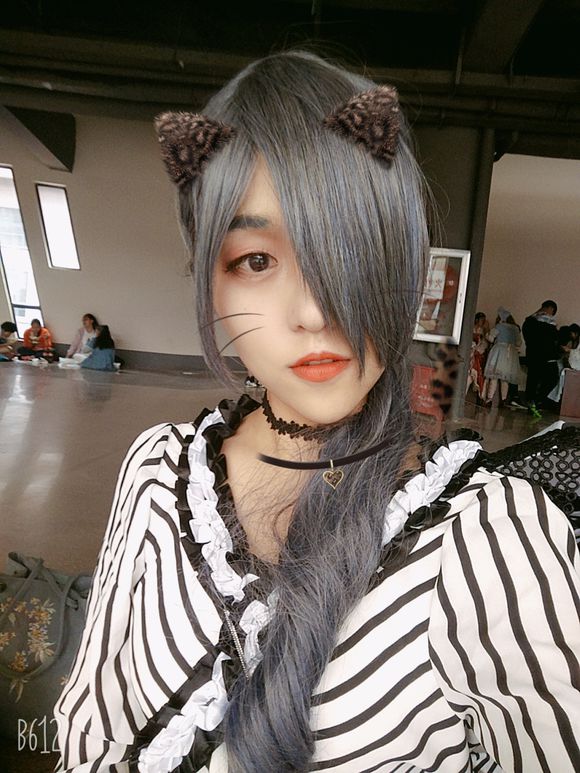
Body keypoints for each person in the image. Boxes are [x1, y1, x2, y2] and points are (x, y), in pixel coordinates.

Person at [55, 52, 580, 773]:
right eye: (257, 260)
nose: (313, 312)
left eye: (349, 245)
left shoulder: (495, 537)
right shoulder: (157, 472)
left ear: (405, 261)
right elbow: (92, 733)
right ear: (208, 275)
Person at [481, 308, 523, 407]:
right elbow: (519, 342)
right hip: (510, 354)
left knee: (494, 377)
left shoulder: (499, 326)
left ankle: (489, 398)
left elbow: (491, 338)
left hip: (498, 352)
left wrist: (486, 333)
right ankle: (503, 400)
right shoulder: (515, 328)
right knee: (505, 379)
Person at [522, 299, 559, 411]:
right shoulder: (543, 323)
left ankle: (533, 401)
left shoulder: (530, 321)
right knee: (543, 379)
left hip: (536, 355)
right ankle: (534, 402)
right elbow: (553, 338)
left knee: (535, 379)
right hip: (541, 356)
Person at [465, 311, 488, 399]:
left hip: (477, 354)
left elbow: (484, 343)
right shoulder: (471, 328)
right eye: (481, 319)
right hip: (469, 352)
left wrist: (479, 350)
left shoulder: (483, 330)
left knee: (474, 374)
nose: (482, 321)